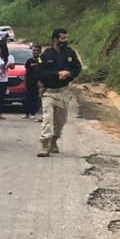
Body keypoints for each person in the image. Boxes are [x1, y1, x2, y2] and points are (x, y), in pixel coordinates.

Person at [35, 27, 82, 157]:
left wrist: (69, 73)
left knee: (60, 121)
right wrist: (57, 74)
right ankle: (44, 144)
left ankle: (54, 141)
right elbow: (40, 72)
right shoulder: (46, 55)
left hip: (63, 91)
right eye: (62, 38)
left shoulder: (70, 53)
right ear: (55, 39)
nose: (65, 40)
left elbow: (77, 68)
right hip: (49, 92)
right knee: (47, 118)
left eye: (66, 38)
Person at [23, 45, 42, 120]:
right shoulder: (29, 61)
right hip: (29, 82)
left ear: (39, 52)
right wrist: (24, 82)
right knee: (27, 98)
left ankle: (33, 113)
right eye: (34, 50)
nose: (35, 52)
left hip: (36, 83)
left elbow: (42, 71)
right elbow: (26, 72)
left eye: (37, 50)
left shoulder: (41, 61)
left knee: (35, 98)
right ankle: (26, 113)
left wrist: (40, 81)